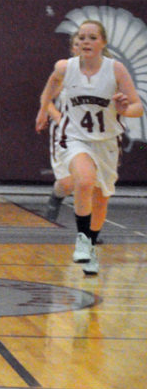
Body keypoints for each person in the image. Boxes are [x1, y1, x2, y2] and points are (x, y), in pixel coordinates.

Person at [35, 20, 142, 275]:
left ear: (103, 43)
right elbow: (49, 89)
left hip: (106, 142)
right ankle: (82, 241)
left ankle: (91, 246)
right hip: (74, 137)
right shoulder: (64, 67)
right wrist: (44, 110)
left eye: (92, 37)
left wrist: (126, 108)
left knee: (101, 198)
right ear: (76, 43)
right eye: (81, 37)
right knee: (83, 180)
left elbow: (137, 107)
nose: (86, 41)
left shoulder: (115, 70)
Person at [41, 32, 80, 222]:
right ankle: (56, 198)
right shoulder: (65, 70)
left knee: (88, 183)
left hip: (92, 134)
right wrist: (58, 118)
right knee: (66, 183)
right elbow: (46, 100)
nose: (83, 45)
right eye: (78, 42)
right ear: (73, 48)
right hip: (65, 133)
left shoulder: (107, 71)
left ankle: (90, 232)